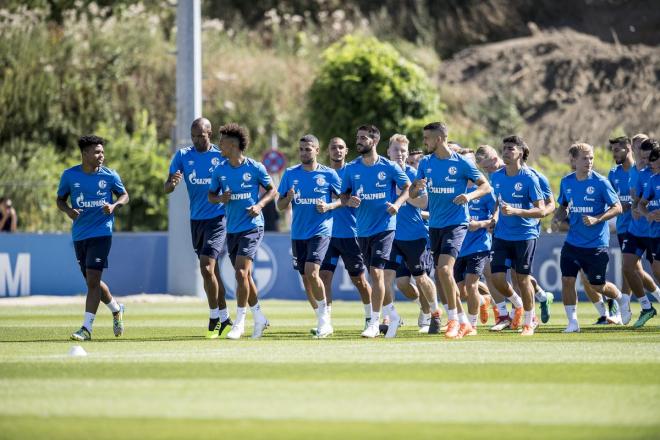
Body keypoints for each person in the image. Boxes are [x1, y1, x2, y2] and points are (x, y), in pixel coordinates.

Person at [410, 122, 491, 338]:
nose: (424, 141)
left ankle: (454, 319)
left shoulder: (462, 163)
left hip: (456, 223)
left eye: (427, 138)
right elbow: (412, 193)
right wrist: (416, 187)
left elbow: (486, 186)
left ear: (438, 139)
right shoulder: (425, 162)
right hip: (435, 225)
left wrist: (469, 196)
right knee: (442, 275)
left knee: (445, 271)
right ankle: (464, 321)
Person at [339, 124, 411, 338]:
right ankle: (393, 315)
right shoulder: (352, 168)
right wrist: (349, 201)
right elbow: (343, 196)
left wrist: (397, 204)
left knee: (376, 273)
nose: (358, 140)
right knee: (374, 275)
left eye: (363, 137)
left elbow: (407, 188)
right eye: (357, 137)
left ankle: (375, 322)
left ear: (374, 141)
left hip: (385, 227)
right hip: (362, 229)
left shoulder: (389, 167)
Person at [56, 135, 129, 341]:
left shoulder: (110, 176)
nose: (101, 156)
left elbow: (124, 195)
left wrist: (114, 206)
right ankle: (116, 309)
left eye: (103, 152)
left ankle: (86, 328)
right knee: (92, 282)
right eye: (97, 152)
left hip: (102, 232)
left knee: (93, 280)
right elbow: (60, 200)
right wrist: (68, 211)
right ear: (85, 154)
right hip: (80, 235)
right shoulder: (69, 176)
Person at [164, 117, 232, 339]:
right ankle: (225, 318)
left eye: (200, 136)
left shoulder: (220, 157)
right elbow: (167, 187)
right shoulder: (183, 156)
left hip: (218, 219)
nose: (196, 140)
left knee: (206, 268)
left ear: (209, 134)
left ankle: (213, 317)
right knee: (213, 273)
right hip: (196, 220)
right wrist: (172, 183)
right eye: (193, 136)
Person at [208, 123, 275, 339]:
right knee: (245, 277)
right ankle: (260, 317)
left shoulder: (254, 168)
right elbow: (211, 196)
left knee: (240, 273)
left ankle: (239, 323)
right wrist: (220, 198)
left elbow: (272, 190)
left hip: (253, 227)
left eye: (222, 141)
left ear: (234, 145)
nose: (219, 145)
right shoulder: (220, 170)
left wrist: (259, 206)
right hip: (233, 228)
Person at [553, 142, 628, 332]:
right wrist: (557, 217)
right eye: (584, 158)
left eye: (591, 158)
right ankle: (573, 323)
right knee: (567, 280)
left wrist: (597, 219)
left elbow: (617, 207)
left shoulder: (601, 182)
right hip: (572, 242)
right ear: (573, 160)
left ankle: (619, 298)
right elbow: (563, 205)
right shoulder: (566, 182)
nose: (589, 162)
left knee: (597, 285)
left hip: (596, 244)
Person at [276, 135, 341, 338]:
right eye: (301, 149)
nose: (304, 152)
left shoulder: (329, 175)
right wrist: (287, 198)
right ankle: (321, 317)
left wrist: (329, 205)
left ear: (317, 150)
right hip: (298, 233)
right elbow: (279, 206)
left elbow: (343, 199)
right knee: (305, 278)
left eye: (308, 149)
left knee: (312, 272)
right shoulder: (289, 174)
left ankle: (324, 320)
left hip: (321, 230)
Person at [382, 134, 440, 338]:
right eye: (396, 150)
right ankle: (389, 318)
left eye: (403, 151)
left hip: (414, 235)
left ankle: (434, 313)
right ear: (388, 151)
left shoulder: (414, 174)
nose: (399, 154)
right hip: (388, 235)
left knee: (421, 278)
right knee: (387, 279)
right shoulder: (381, 173)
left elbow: (424, 204)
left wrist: (406, 195)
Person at [489, 136, 545, 336]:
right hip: (502, 234)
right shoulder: (496, 177)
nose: (505, 152)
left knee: (522, 279)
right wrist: (494, 218)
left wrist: (517, 211)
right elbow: (497, 201)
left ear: (520, 153)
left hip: (524, 234)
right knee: (496, 278)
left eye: (510, 148)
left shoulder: (529, 178)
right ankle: (518, 304)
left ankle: (529, 321)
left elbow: (541, 210)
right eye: (504, 148)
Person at [319, 137, 372, 331]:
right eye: (333, 147)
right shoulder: (321, 174)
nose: (337, 150)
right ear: (328, 151)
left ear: (346, 150)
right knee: (324, 277)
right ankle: (325, 322)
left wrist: (351, 200)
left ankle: (370, 317)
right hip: (327, 234)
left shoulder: (354, 172)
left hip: (351, 234)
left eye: (341, 147)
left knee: (359, 279)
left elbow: (361, 198)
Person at [453, 149, 497, 336]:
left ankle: (471, 325)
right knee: (461, 292)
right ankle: (483, 300)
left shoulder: (485, 190)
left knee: (471, 285)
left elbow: (496, 217)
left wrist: (480, 224)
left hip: (479, 245)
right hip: (458, 246)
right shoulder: (456, 188)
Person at [622, 134, 660, 325]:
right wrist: (638, 209)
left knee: (656, 271)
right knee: (627, 266)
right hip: (637, 230)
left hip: (654, 232)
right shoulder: (639, 173)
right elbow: (636, 199)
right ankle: (646, 306)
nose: (645, 162)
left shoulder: (654, 174)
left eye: (649, 158)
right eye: (642, 158)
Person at [633, 139, 660, 327]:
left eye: (654, 159)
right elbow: (641, 203)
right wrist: (648, 214)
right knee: (657, 270)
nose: (651, 162)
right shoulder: (652, 180)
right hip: (655, 232)